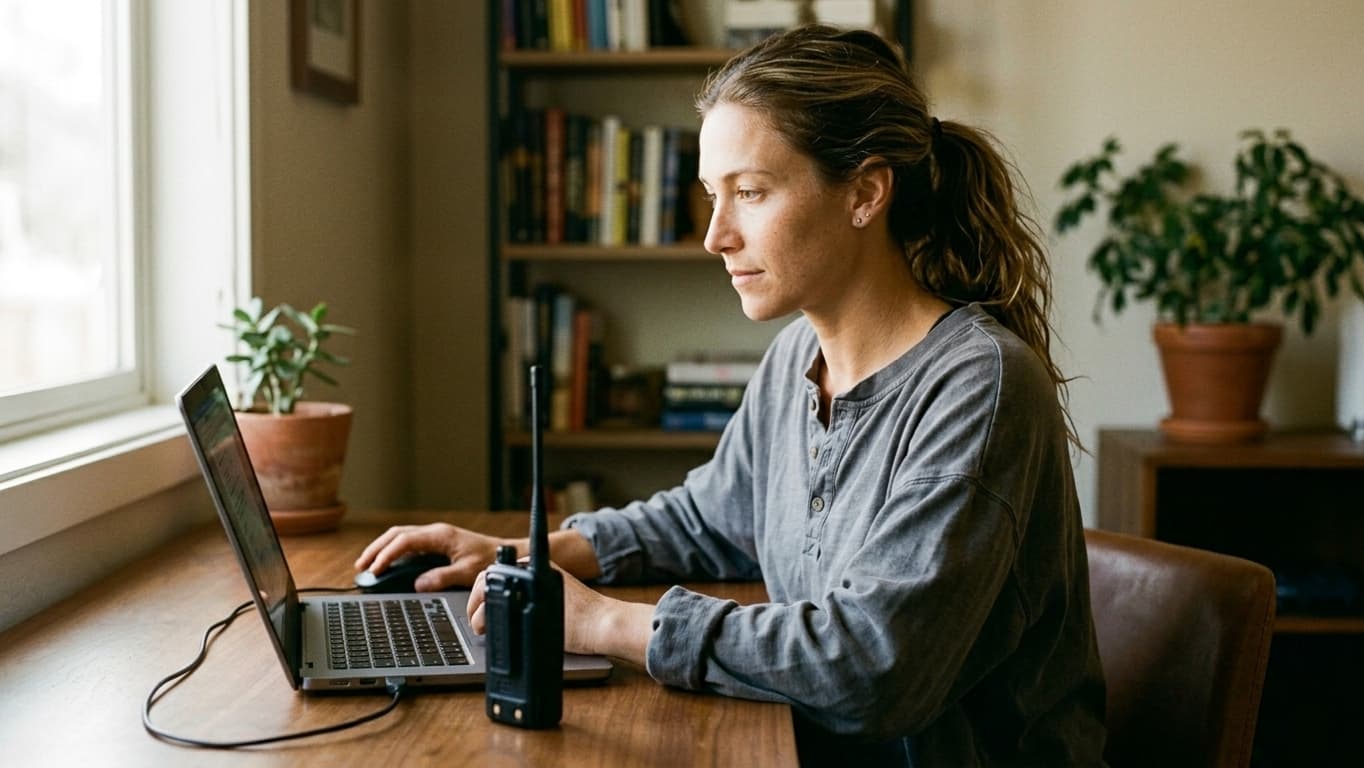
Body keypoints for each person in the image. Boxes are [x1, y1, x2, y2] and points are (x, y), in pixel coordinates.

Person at [356, 24, 1107, 766]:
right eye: (713, 196)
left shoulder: (979, 386)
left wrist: (606, 626)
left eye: (750, 193)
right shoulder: (795, 359)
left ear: (866, 193)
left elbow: (871, 669)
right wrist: (520, 555)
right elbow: (711, 518)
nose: (716, 234)